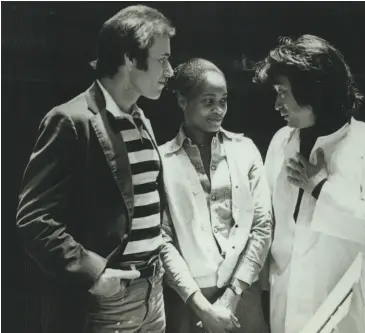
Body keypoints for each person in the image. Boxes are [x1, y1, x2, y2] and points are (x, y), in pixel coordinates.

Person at [15, 5, 175, 333]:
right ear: (131, 58)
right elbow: (34, 220)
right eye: (162, 59)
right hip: (108, 303)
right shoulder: (71, 120)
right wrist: (95, 273)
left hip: (153, 295)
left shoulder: (140, 117)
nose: (170, 70)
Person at [253, 34, 365, 333]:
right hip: (280, 312)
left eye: (283, 92)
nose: (277, 104)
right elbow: (267, 226)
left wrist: (321, 186)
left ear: (313, 90)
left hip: (339, 316)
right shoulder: (281, 140)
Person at [159, 58, 272, 333]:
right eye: (208, 101)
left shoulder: (246, 150)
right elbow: (161, 240)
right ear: (183, 101)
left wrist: (231, 298)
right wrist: (202, 308)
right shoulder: (161, 159)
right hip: (186, 304)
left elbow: (262, 226)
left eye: (223, 100)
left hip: (244, 298)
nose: (219, 110)